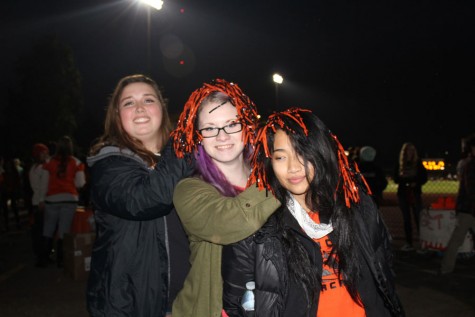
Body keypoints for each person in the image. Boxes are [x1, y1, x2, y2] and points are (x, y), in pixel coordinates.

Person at [222, 108, 405, 317]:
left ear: (320, 153)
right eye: (280, 157)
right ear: (269, 163)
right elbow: (237, 302)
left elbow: (384, 273)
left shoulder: (357, 208)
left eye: (302, 153)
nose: (293, 167)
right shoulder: (255, 221)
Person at [170, 78, 280, 316]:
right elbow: (234, 220)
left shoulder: (272, 180)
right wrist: (281, 175)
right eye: (209, 128)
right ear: (198, 136)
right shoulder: (188, 190)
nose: (222, 136)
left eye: (232, 124)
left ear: (247, 128)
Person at [86, 74, 194, 317]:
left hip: (187, 302)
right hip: (130, 305)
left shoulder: (184, 160)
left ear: (161, 108)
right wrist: (184, 139)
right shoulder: (109, 164)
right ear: (117, 115)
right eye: (128, 103)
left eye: (148, 99)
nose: (139, 108)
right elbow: (148, 199)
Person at [37, 136, 86, 268]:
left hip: (52, 200)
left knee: (48, 229)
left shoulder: (49, 162)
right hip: (69, 199)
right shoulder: (76, 162)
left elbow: (44, 183)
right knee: (64, 230)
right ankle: (61, 259)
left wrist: (41, 199)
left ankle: (43, 258)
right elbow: (80, 183)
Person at [440, 135, 475, 275]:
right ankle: (445, 268)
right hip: (469, 209)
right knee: (457, 239)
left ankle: (446, 268)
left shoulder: (468, 163)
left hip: (467, 208)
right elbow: (471, 189)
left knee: (456, 239)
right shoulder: (470, 165)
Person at [393, 142, 428, 251]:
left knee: (418, 218)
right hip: (403, 194)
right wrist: (410, 181)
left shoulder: (418, 163)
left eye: (412, 151)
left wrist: (411, 182)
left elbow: (423, 178)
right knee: (406, 219)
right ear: (404, 152)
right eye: (408, 150)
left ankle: (423, 243)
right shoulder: (400, 164)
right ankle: (409, 243)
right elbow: (395, 178)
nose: (410, 153)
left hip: (415, 194)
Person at [29, 143, 50, 266]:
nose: (46, 155)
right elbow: (44, 186)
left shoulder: (33, 168)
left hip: (35, 201)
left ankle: (40, 256)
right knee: (43, 231)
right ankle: (43, 257)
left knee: (37, 231)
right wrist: (42, 200)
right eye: (44, 153)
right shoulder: (43, 168)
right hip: (41, 202)